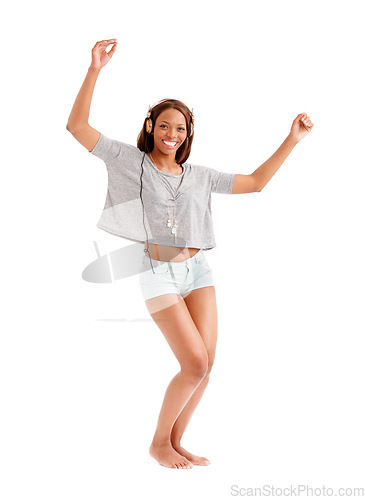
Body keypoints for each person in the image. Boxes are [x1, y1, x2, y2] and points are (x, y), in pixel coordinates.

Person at [66, 39, 314, 470]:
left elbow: (256, 182)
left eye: (179, 129)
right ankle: (158, 442)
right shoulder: (131, 161)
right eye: (164, 126)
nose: (171, 135)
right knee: (194, 361)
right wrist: (94, 70)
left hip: (198, 271)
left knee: (205, 365)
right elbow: (77, 127)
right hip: (158, 272)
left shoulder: (199, 176)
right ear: (151, 126)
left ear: (188, 133)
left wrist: (292, 139)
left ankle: (174, 443)